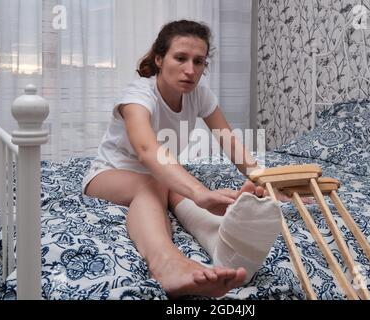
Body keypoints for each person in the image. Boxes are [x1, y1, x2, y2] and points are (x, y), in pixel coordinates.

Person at [82, 20, 278, 299]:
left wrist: (266, 181)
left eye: (199, 62)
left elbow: (229, 141)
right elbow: (147, 150)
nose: (190, 70)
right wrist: (200, 193)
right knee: (156, 185)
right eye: (181, 58)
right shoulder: (138, 94)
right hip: (108, 175)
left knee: (172, 186)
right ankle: (166, 264)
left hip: (160, 175)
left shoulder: (199, 94)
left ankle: (225, 243)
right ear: (160, 59)